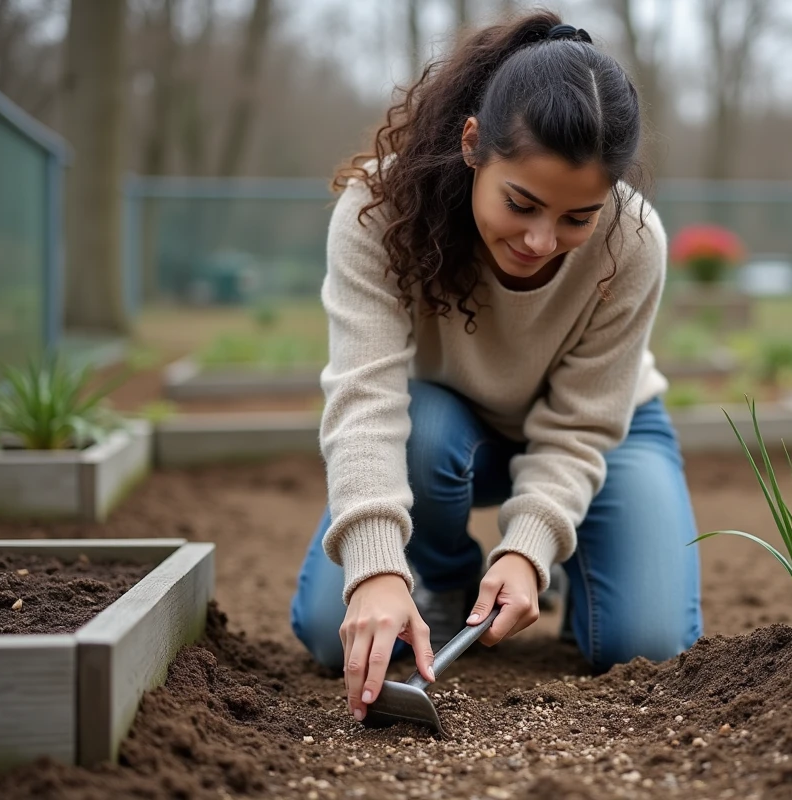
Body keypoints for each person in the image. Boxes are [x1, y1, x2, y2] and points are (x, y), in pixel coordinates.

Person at [289, 11, 703, 725]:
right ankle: (443, 581)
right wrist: (377, 570)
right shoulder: (378, 212)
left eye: (577, 218)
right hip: (444, 432)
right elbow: (365, 400)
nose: (541, 240)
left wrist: (528, 548)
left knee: (645, 642)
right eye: (522, 203)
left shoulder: (633, 243)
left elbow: (581, 425)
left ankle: (568, 567)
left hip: (601, 433)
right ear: (472, 143)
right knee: (336, 637)